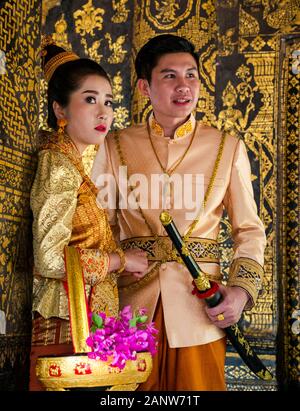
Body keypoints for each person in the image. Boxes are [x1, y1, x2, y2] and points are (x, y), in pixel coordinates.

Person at [92, 34, 266, 391]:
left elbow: (249, 231)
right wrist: (117, 259)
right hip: (131, 307)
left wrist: (241, 293)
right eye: (170, 76)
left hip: (200, 310)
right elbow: (98, 223)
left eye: (191, 75)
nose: (184, 86)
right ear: (145, 86)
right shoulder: (114, 145)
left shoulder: (226, 148)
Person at [29, 37, 148, 390]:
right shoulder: (59, 166)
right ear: (60, 110)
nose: (104, 113)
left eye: (108, 102)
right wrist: (118, 261)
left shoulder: (76, 166)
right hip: (64, 327)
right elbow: (49, 260)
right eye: (90, 100)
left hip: (87, 322)